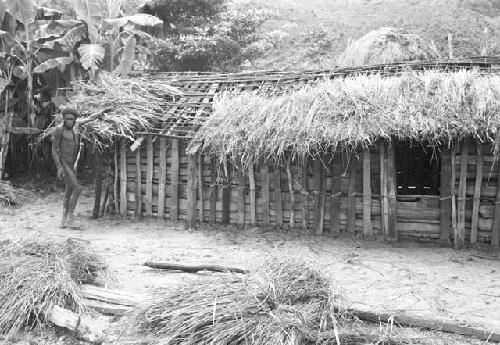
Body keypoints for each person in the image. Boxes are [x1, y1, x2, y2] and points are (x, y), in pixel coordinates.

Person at [51, 109, 83, 229]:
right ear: (63, 119)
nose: (69, 121)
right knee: (77, 189)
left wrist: (100, 113)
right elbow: (54, 149)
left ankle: (63, 220)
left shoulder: (75, 130)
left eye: (71, 119)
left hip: (72, 164)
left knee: (69, 191)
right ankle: (70, 218)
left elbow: (89, 119)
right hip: (64, 164)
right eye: (67, 119)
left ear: (75, 119)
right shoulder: (59, 129)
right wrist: (59, 167)